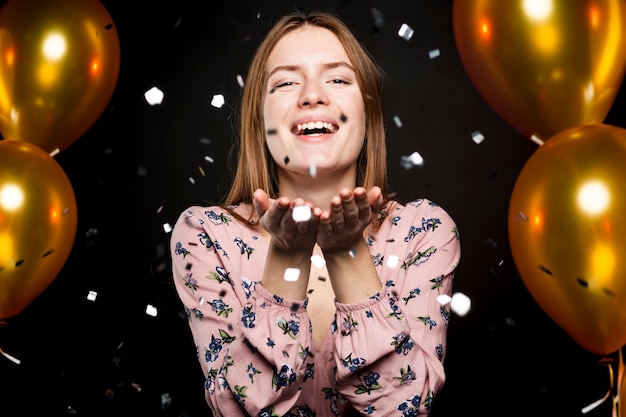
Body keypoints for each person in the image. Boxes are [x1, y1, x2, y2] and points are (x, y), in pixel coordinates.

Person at [170, 10, 461, 417]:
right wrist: (288, 261)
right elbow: (240, 408)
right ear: (260, 119)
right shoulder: (205, 235)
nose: (312, 95)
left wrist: (347, 255)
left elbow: (404, 408)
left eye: (338, 79)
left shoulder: (423, 231)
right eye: (286, 82)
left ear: (367, 112)